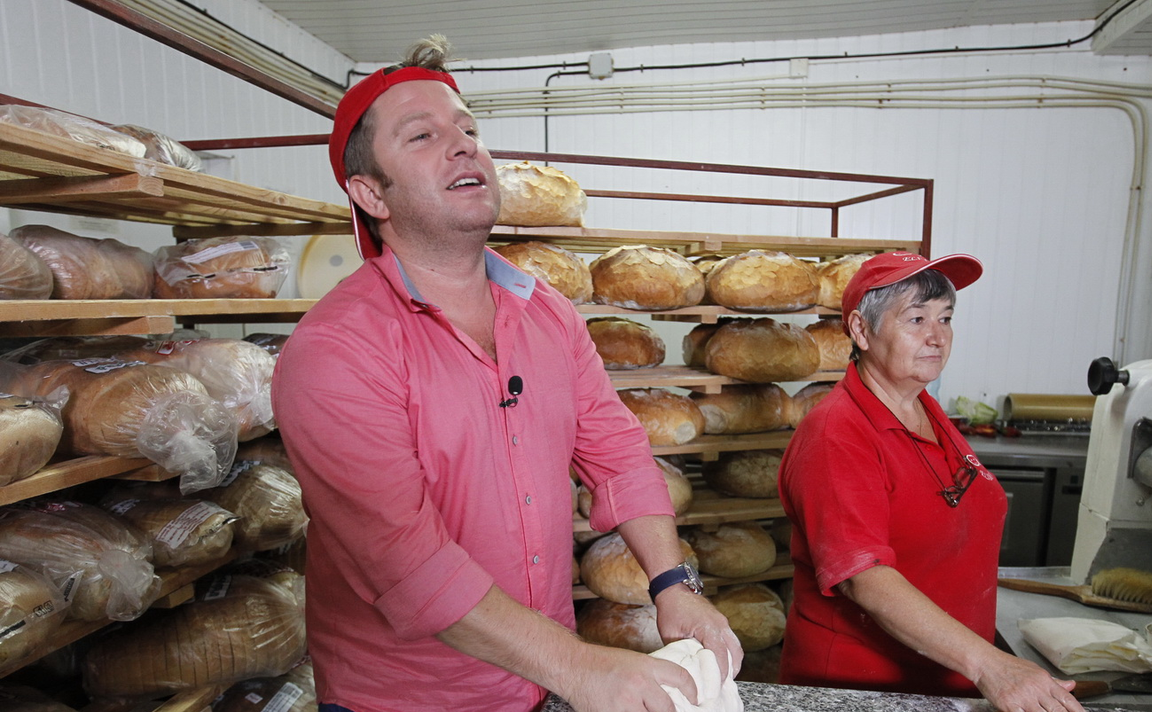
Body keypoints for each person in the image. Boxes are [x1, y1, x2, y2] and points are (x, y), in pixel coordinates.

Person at [271, 36, 741, 712]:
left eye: (468, 130)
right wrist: (581, 668)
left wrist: (673, 582)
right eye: (423, 135)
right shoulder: (336, 350)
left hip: (535, 683)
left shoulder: (547, 312)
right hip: (406, 699)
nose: (463, 147)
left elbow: (616, 451)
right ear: (371, 193)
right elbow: (408, 565)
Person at [776, 252, 1086, 712]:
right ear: (861, 330)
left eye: (945, 318)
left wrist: (982, 666)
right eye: (916, 319)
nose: (937, 337)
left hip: (946, 679)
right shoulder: (837, 434)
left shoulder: (922, 407)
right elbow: (863, 577)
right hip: (861, 692)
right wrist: (991, 666)